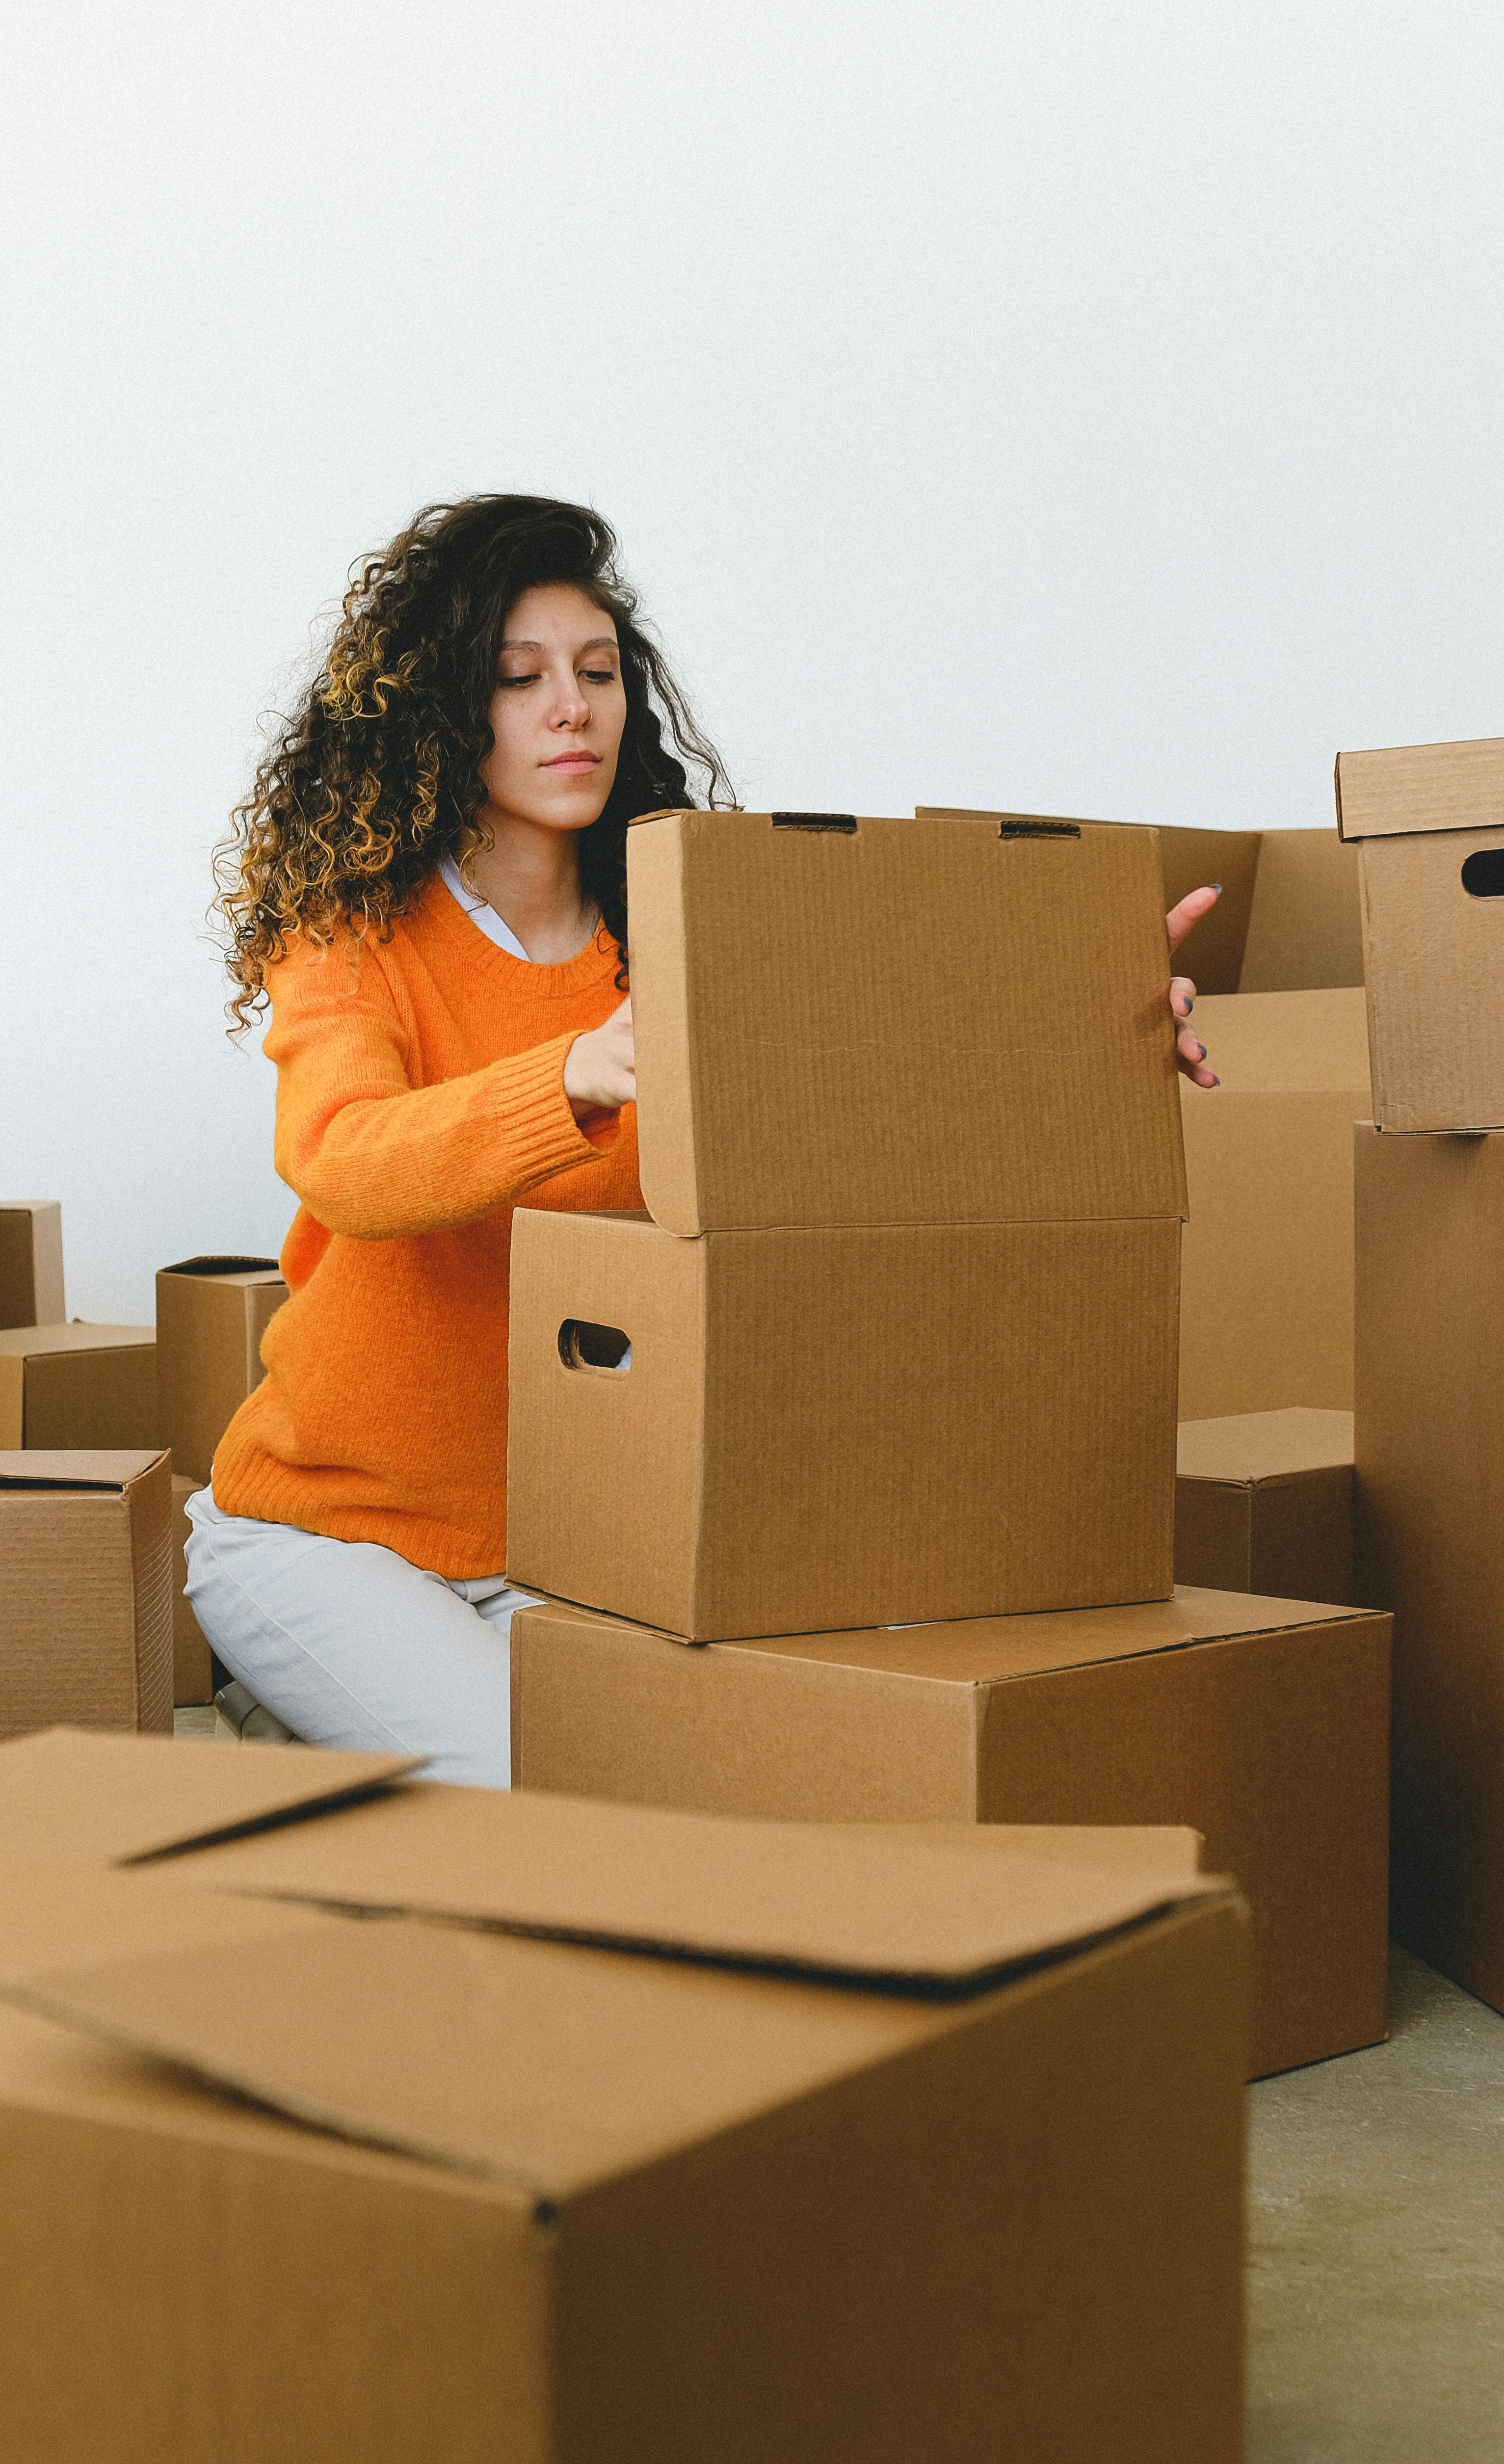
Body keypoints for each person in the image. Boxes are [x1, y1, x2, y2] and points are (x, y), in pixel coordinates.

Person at [186, 491, 1219, 1784]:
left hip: (593, 1533)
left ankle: (346, 1739)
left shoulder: (688, 928)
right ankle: (321, 1703)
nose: (575, 708)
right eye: (520, 680)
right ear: (440, 717)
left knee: (783, 1765)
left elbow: (879, 1094)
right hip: (332, 1532)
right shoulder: (350, 938)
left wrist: (1088, 1043)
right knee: (566, 1797)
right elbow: (346, 1157)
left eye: (600, 673)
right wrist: (574, 1069)